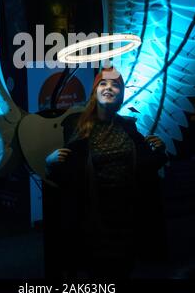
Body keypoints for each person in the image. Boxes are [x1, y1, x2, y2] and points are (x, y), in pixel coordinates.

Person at [45, 66, 168, 280]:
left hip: (127, 217)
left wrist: (159, 150)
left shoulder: (128, 127)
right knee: (98, 273)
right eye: (103, 83)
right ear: (95, 92)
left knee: (123, 270)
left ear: (121, 94)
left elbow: (146, 168)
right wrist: (50, 162)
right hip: (94, 219)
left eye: (115, 85)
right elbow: (67, 177)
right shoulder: (78, 127)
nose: (109, 88)